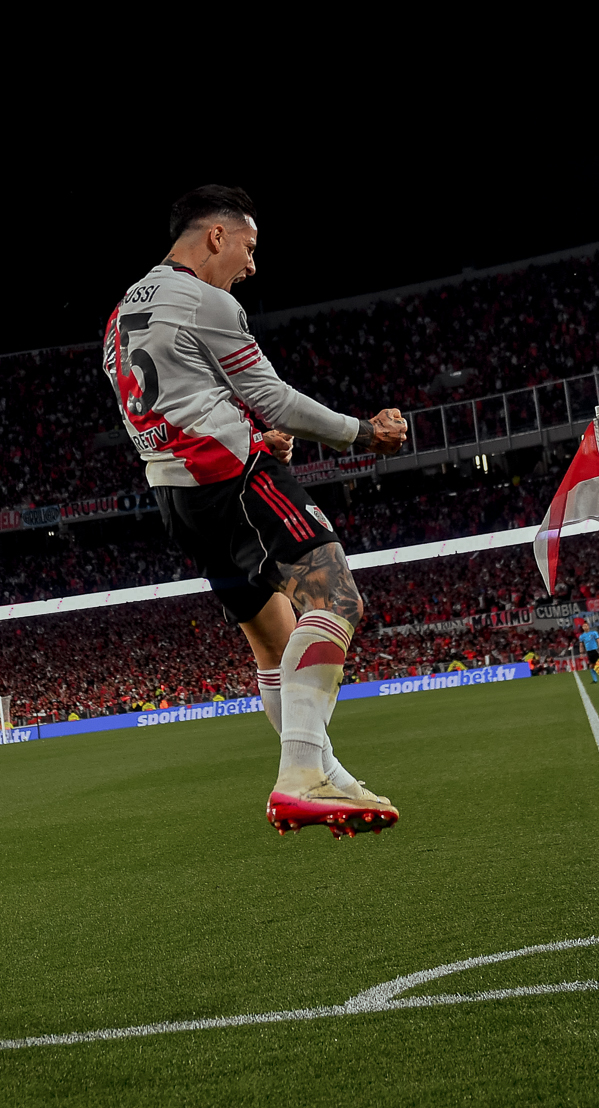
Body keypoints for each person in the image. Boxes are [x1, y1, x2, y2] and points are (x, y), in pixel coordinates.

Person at [104, 185, 408, 837]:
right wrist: (360, 432)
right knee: (336, 598)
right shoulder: (205, 300)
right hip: (236, 481)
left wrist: (246, 429)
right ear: (216, 235)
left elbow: (173, 409)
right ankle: (301, 773)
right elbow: (274, 395)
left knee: (273, 643)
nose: (250, 265)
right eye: (249, 246)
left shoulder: (121, 313)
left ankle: (324, 773)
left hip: (178, 498)